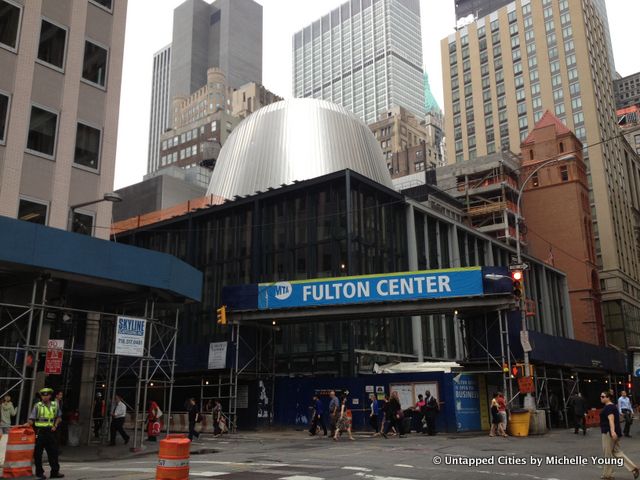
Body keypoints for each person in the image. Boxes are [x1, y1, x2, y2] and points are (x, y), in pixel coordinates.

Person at [24, 387, 64, 479]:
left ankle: (55, 472)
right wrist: (27, 424)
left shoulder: (55, 405)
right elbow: (32, 419)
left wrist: (55, 425)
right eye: (43, 395)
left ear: (50, 396)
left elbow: (59, 417)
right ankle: (39, 473)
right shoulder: (37, 406)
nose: (45, 397)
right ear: (41, 396)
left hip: (51, 432)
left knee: (53, 452)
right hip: (40, 432)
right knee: (38, 454)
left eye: (47, 395)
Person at [600, 390, 639, 480]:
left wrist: (612, 432)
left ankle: (607, 475)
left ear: (608, 398)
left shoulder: (609, 407)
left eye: (603, 397)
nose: (601, 398)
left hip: (608, 433)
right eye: (601, 396)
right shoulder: (612, 406)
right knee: (617, 452)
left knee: (607, 454)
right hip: (614, 433)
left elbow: (611, 419)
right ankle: (633, 468)